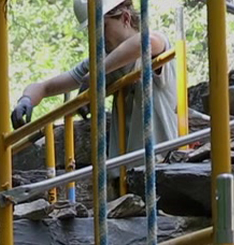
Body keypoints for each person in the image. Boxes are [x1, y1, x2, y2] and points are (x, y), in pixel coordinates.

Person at [10, 0, 179, 158]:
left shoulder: (156, 52)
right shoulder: (101, 61)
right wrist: (26, 99)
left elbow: (148, 41)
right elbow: (45, 87)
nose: (96, 37)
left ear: (125, 18)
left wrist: (95, 75)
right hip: (124, 173)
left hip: (160, 166)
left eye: (102, 27)